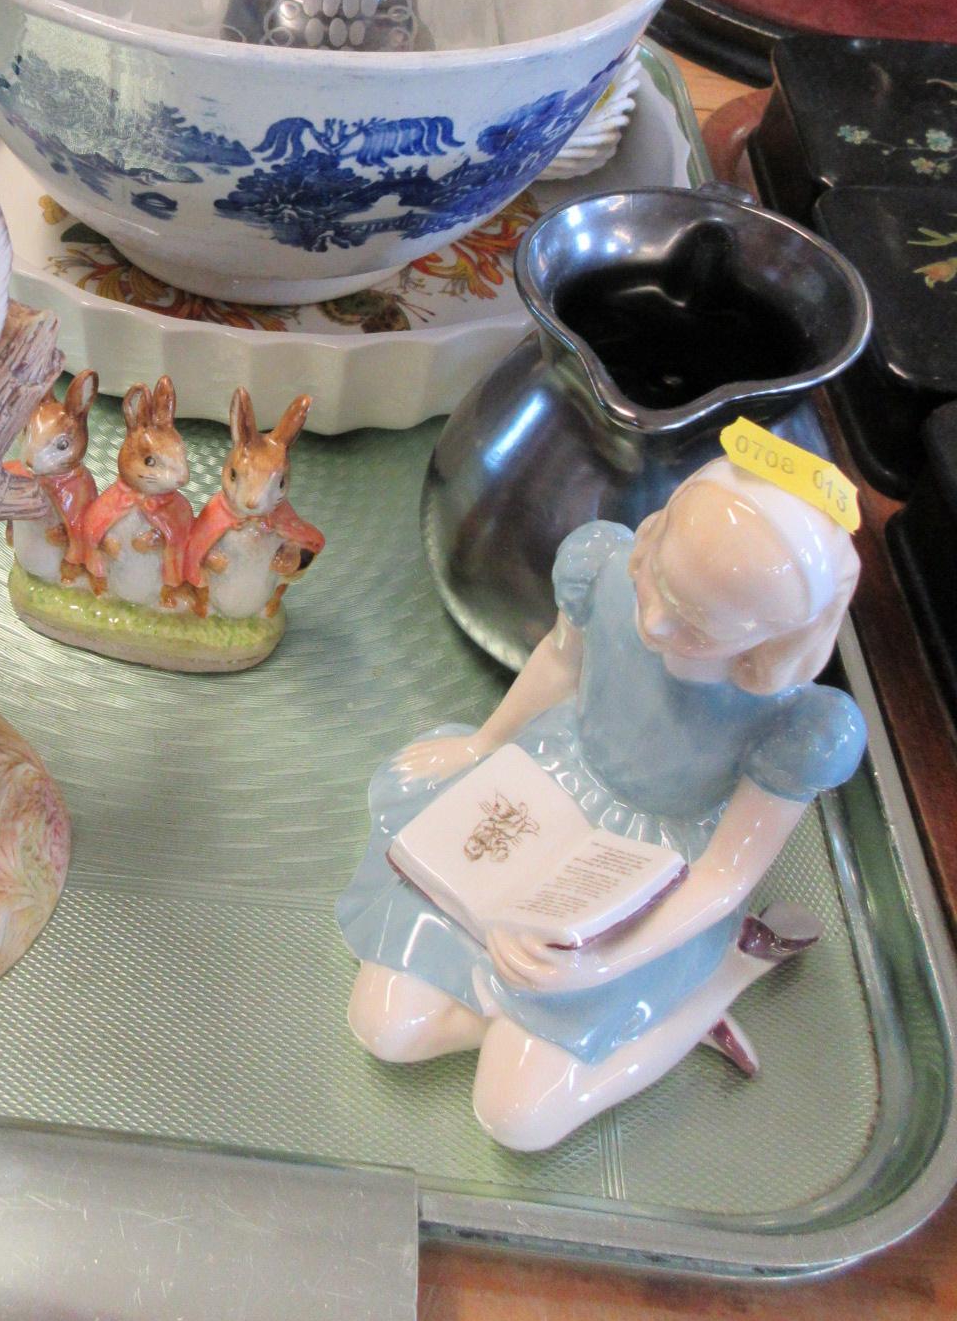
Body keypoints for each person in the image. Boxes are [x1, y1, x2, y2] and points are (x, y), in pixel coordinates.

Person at [338, 456, 865, 1151]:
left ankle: (723, 978)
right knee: (386, 1029)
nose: (655, 625)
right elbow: (561, 663)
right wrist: (486, 744)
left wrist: (599, 967)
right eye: (659, 584)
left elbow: (726, 874)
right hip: (549, 787)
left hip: (655, 868)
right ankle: (539, 1007)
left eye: (700, 628)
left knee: (517, 1119)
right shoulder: (607, 566)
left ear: (775, 639)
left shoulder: (798, 724)